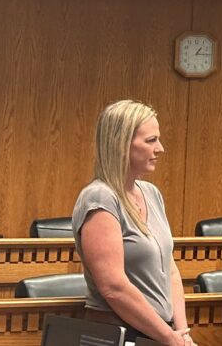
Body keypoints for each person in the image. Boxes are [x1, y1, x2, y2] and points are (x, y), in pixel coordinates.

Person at [72, 100, 194, 345]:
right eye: (151, 141)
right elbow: (113, 287)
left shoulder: (151, 193)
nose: (160, 148)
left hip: (160, 334)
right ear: (121, 144)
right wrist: (168, 337)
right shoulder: (100, 197)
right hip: (118, 333)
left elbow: (169, 269)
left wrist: (181, 333)